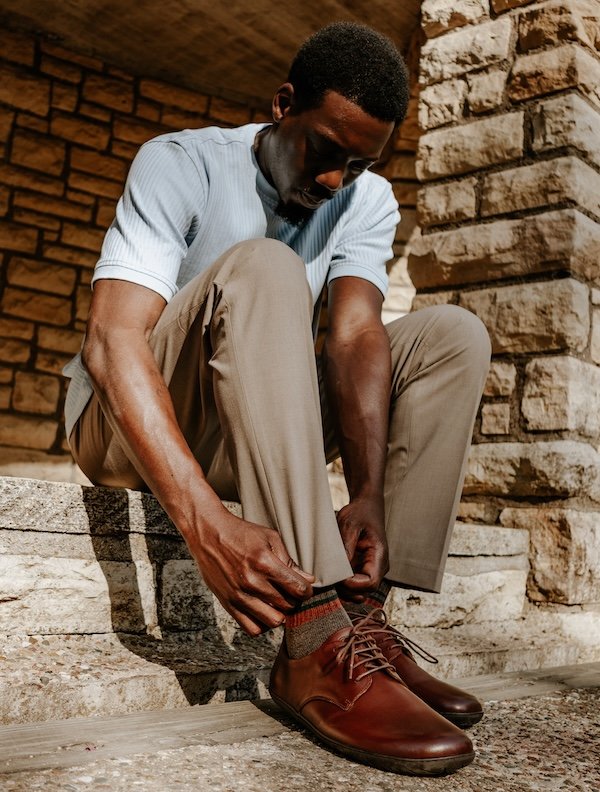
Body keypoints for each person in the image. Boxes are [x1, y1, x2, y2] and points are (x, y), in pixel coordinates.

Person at [63, 21, 491, 776]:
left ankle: (362, 618)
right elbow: (113, 341)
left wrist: (366, 497)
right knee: (267, 266)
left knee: (452, 336)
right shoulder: (182, 162)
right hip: (128, 430)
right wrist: (206, 523)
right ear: (282, 103)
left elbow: (356, 336)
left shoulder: (365, 196)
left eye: (360, 162)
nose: (336, 180)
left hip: (248, 428)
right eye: (325, 151)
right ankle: (312, 638)